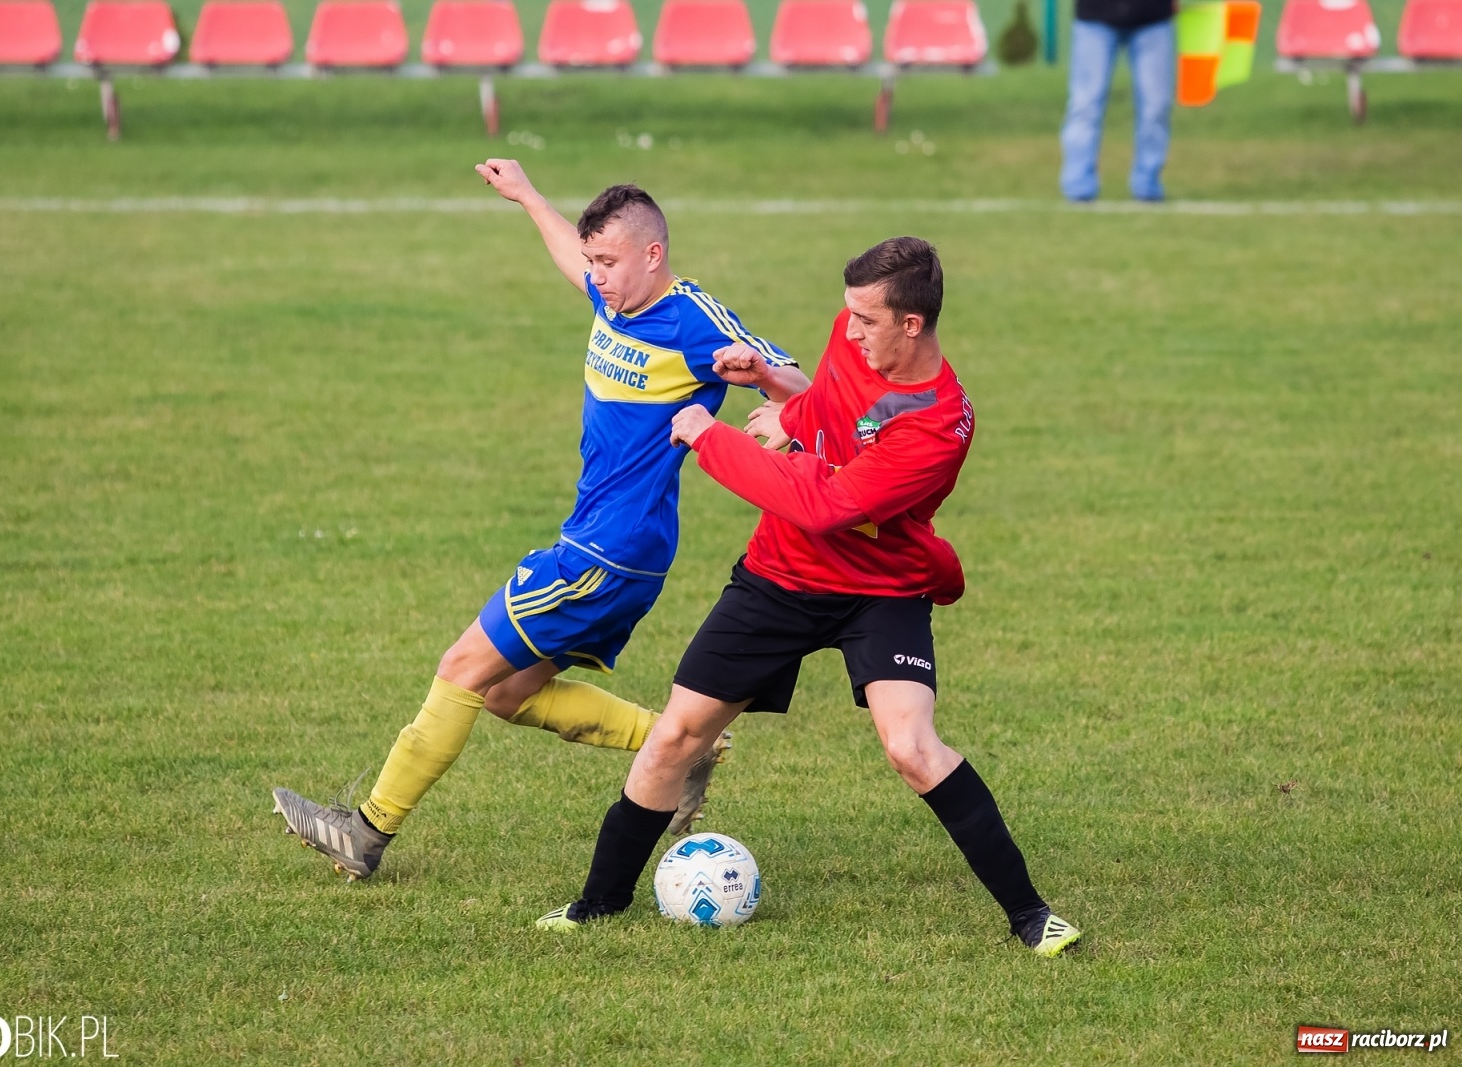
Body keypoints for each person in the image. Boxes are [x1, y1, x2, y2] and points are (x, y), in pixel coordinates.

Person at [535, 237, 1082, 957]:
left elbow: (827, 504)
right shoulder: (853, 335)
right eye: (848, 313)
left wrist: (710, 437)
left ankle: (1031, 915)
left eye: (866, 319)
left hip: (879, 588)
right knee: (675, 736)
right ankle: (596, 904)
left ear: (911, 324)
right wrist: (771, 382)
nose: (847, 329)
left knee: (912, 746)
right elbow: (830, 407)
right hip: (780, 578)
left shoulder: (938, 426)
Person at [271, 162, 807, 881]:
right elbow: (572, 259)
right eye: (594, 262)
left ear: (655, 254)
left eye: (610, 261)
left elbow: (800, 382)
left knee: (461, 668)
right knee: (504, 692)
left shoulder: (695, 319)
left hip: (605, 550)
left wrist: (762, 374)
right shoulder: (616, 299)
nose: (598, 277)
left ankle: (364, 833)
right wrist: (526, 196)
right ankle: (680, 749)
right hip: (612, 544)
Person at [1058, 0, 1176, 202]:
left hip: (1153, 16)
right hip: (1095, 15)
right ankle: (1078, 187)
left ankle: (1148, 185)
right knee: (1085, 105)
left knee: (1156, 106)